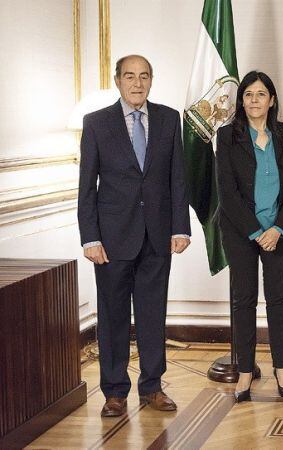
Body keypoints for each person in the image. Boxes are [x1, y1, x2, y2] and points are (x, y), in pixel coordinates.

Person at [78, 55, 191, 417]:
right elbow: (87, 188)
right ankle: (114, 391)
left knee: (152, 314)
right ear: (118, 81)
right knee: (112, 316)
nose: (137, 83)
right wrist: (90, 238)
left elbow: (177, 178)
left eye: (144, 76)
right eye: (130, 76)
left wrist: (180, 227)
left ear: (152, 80)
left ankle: (152, 387)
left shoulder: (169, 119)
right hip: (111, 240)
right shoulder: (96, 124)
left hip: (157, 236)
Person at [215, 71, 283, 402]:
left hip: (279, 231)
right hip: (241, 232)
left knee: (278, 300)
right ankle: (245, 372)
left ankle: (282, 368)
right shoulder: (227, 137)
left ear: (272, 100)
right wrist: (255, 230)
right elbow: (227, 190)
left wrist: (277, 228)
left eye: (261, 94)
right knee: (244, 300)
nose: (254, 100)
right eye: (248, 94)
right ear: (242, 101)